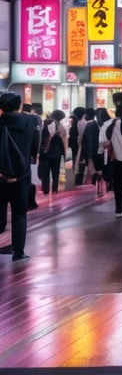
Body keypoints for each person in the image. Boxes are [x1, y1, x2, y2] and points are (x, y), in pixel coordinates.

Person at [0, 91, 40, 262]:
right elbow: (35, 145)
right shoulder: (30, 121)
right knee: (19, 213)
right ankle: (18, 252)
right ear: (19, 105)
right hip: (22, 174)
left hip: (1, 174)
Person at [38, 109, 67, 196]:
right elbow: (63, 142)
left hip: (46, 153)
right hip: (56, 153)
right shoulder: (61, 127)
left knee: (45, 174)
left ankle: (46, 190)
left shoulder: (45, 124)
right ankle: (54, 190)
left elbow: (42, 138)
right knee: (55, 173)